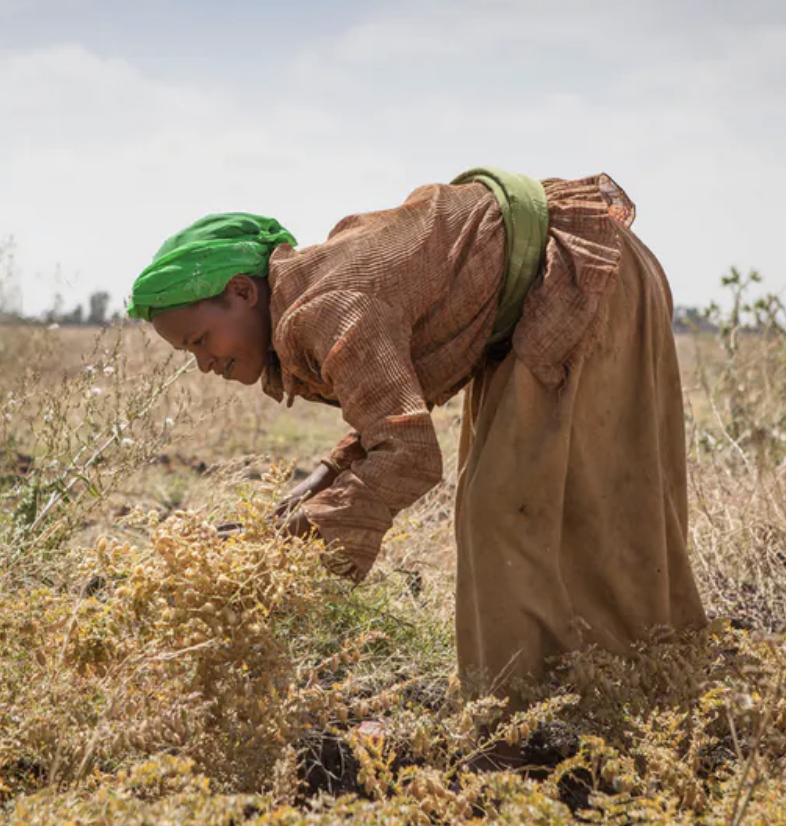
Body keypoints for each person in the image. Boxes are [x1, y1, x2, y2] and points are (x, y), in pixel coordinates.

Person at [125, 167, 707, 688]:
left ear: (242, 293)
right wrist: (324, 478)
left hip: (577, 276)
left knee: (509, 510)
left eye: (201, 340)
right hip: (547, 295)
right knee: (528, 502)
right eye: (189, 354)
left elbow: (409, 453)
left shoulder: (326, 307)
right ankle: (590, 689)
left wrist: (299, 544)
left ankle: (569, 701)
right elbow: (388, 404)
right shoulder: (312, 300)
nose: (204, 364)